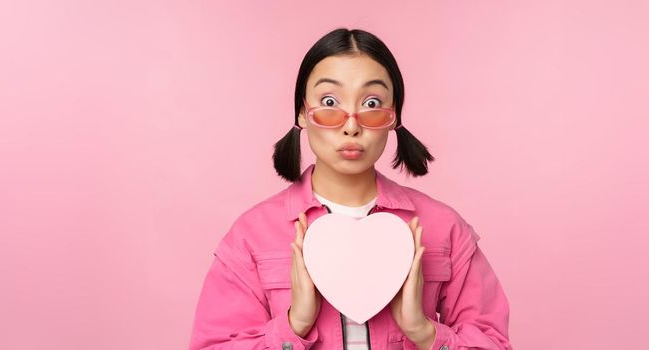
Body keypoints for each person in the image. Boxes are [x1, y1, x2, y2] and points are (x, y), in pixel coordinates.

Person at [189, 27, 512, 350]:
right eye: (329, 102)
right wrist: (293, 326)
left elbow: (494, 342)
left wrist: (423, 331)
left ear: (393, 115)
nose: (352, 125)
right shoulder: (251, 236)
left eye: (372, 103)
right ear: (302, 112)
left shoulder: (443, 229)